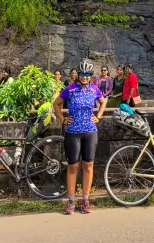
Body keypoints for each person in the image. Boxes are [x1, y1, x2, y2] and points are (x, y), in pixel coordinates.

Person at [54, 59, 106, 215]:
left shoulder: (94, 89)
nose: (84, 77)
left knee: (88, 166)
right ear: (78, 75)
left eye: (87, 74)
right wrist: (62, 119)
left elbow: (103, 102)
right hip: (72, 132)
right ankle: (71, 201)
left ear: (90, 75)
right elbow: (56, 104)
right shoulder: (70, 89)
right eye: (81, 74)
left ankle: (85, 200)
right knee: (72, 167)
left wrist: (99, 116)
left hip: (90, 131)